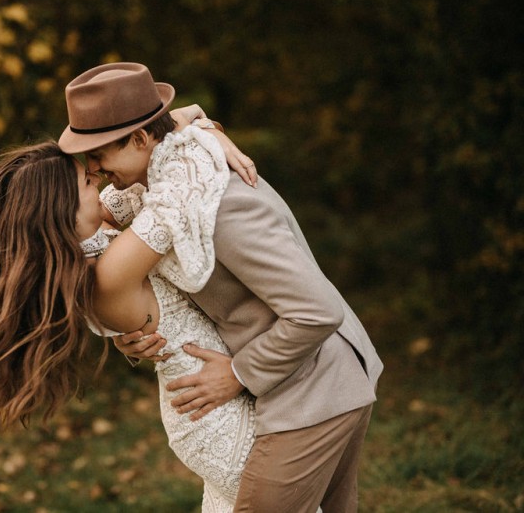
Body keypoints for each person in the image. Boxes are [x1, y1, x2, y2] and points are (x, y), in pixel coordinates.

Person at [0, 138, 276, 512]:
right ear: (62, 209)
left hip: (212, 404)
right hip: (221, 423)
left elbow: (143, 167)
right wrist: (196, 128)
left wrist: (178, 125)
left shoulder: (88, 247)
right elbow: (176, 192)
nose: (97, 177)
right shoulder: (109, 273)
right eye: (85, 179)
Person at [58, 62, 383, 512]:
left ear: (138, 140)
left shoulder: (221, 203)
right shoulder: (159, 188)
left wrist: (238, 373)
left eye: (98, 155)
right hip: (302, 380)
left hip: (315, 385)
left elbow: (317, 312)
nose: (92, 169)